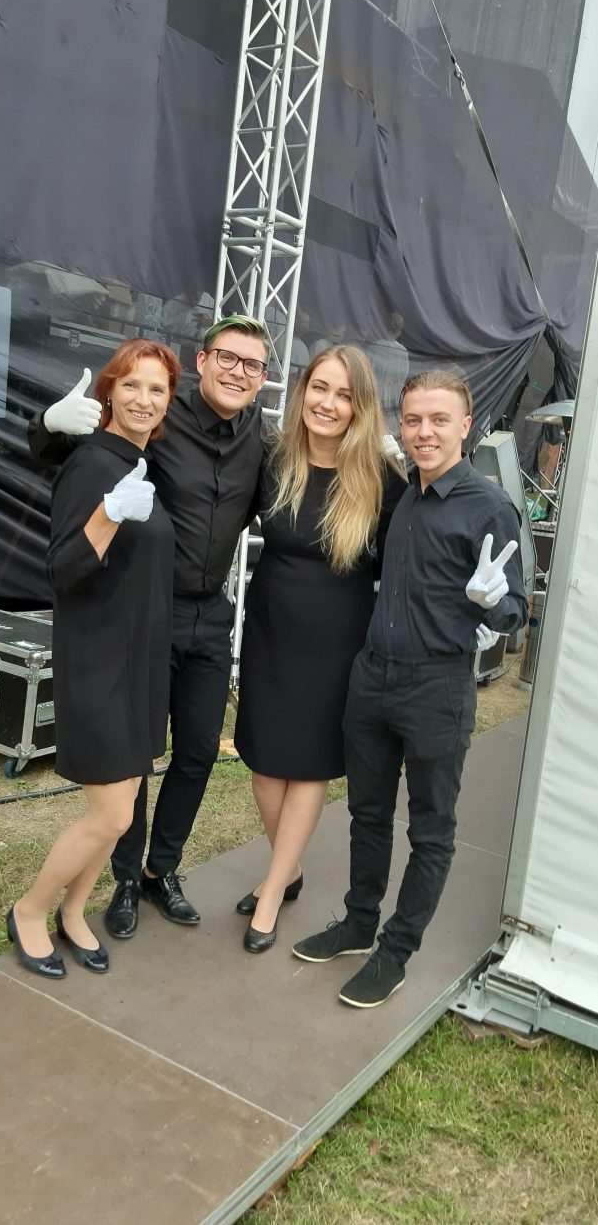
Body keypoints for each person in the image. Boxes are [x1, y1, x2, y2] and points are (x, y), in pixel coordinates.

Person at [28, 316, 269, 940]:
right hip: (147, 611)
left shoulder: (261, 440)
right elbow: (73, 458)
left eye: (253, 364)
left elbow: (296, 500)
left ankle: (162, 870)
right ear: (203, 361)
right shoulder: (156, 414)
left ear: (262, 378)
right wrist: (47, 424)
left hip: (211, 614)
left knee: (197, 751)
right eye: (228, 357)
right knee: (135, 752)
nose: (239, 372)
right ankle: (125, 878)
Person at [292, 369, 528, 1006]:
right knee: (366, 813)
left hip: (437, 685)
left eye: (439, 420)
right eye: (415, 419)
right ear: (402, 423)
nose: (425, 432)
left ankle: (396, 952)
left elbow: (515, 611)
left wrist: (496, 602)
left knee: (431, 830)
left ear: (466, 426)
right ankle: (358, 923)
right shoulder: (400, 494)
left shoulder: (489, 507)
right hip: (373, 677)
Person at [8, 339, 180, 978]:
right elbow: (63, 571)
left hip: (139, 664)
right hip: (98, 662)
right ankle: (29, 911)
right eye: (131, 385)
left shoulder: (140, 460)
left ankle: (74, 910)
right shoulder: (89, 462)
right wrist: (107, 514)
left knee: (122, 811)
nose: (143, 399)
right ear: (109, 390)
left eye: (157, 389)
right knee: (110, 813)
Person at [233, 346, 406, 953]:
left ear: (361, 408)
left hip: (335, 643)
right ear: (303, 389)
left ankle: (272, 893)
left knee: (307, 767)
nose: (327, 404)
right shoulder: (274, 459)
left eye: (344, 395)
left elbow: (406, 558)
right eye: (320, 388)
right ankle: (292, 869)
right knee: (263, 767)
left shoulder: (381, 480)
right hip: (269, 633)